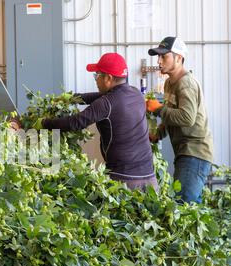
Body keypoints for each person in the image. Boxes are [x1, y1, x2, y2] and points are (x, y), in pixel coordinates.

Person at [13, 53, 158, 192]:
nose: (96, 79)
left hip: (125, 179)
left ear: (108, 78)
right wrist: (72, 98)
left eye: (97, 75)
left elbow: (75, 123)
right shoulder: (136, 94)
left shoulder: (106, 103)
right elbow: (99, 96)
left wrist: (44, 123)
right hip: (149, 177)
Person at [148, 36, 213, 203]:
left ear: (178, 58)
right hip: (184, 152)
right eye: (159, 57)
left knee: (183, 206)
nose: (159, 61)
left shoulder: (186, 84)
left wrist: (158, 108)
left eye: (164, 56)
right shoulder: (170, 83)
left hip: (194, 152)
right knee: (188, 207)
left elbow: (187, 118)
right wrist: (158, 134)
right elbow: (173, 115)